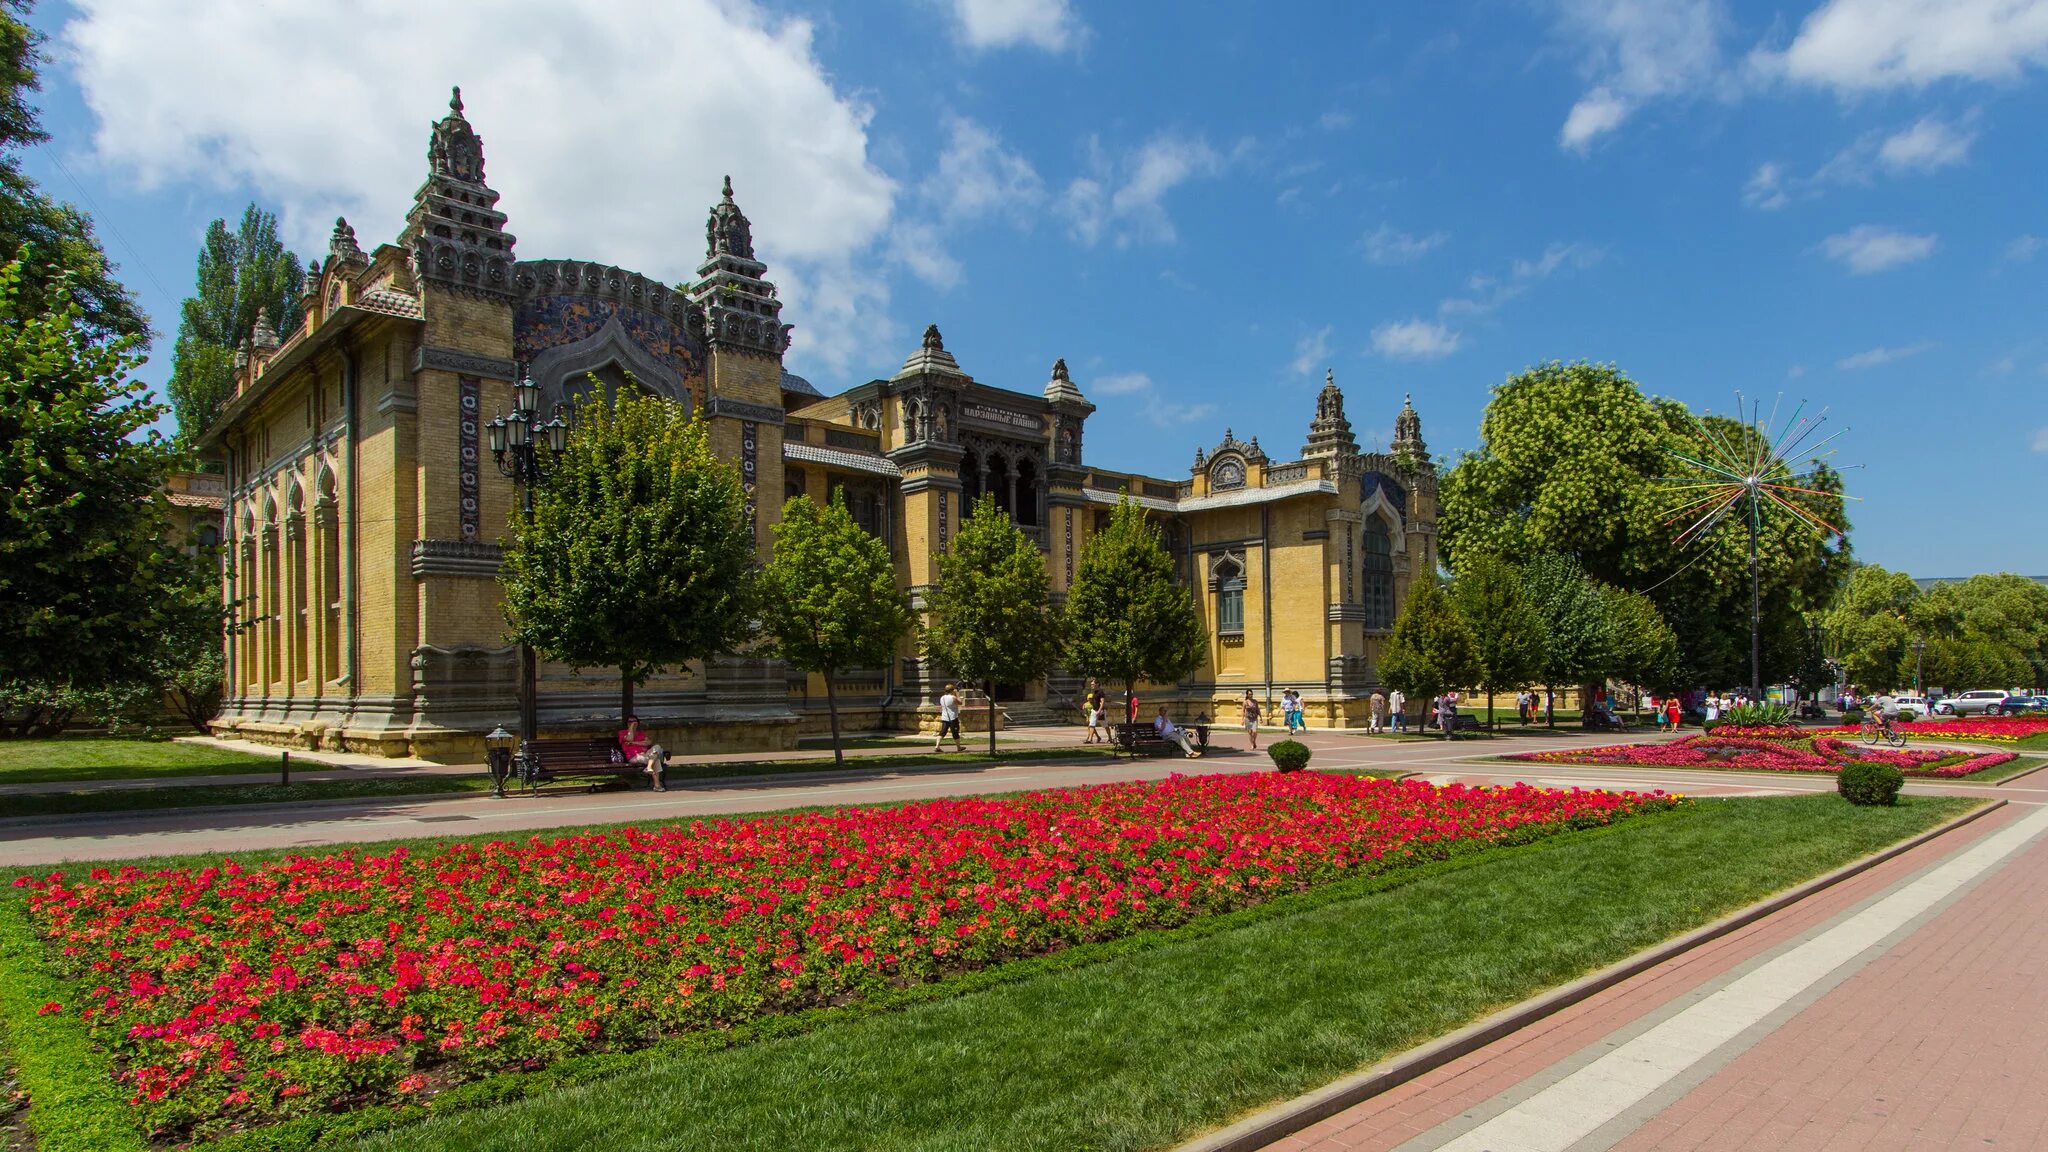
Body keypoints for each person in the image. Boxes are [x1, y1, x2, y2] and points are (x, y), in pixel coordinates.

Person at [617, 715, 668, 792]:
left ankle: (649, 768)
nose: (632, 723)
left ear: (638, 723)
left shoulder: (641, 733)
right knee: (655, 760)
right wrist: (631, 728)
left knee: (657, 747)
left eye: (634, 721)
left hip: (646, 754)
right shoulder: (622, 733)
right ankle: (657, 785)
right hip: (634, 756)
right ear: (627, 723)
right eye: (630, 722)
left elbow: (648, 742)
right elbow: (629, 738)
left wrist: (634, 743)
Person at [935, 684, 965, 752]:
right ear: (952, 690)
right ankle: (959, 747)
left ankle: (937, 746)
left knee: (942, 732)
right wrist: (957, 694)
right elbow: (960, 702)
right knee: (955, 733)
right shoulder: (953, 697)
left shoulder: (942, 697)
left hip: (945, 717)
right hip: (953, 718)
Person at [1083, 680, 1106, 745]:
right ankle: (1090, 739)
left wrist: (1099, 710)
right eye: (1091, 684)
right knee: (1091, 725)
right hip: (1094, 710)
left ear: (1097, 684)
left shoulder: (1101, 692)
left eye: (1093, 684)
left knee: (1105, 725)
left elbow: (1102, 703)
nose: (1091, 685)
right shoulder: (1094, 692)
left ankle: (1109, 737)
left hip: (1100, 711)